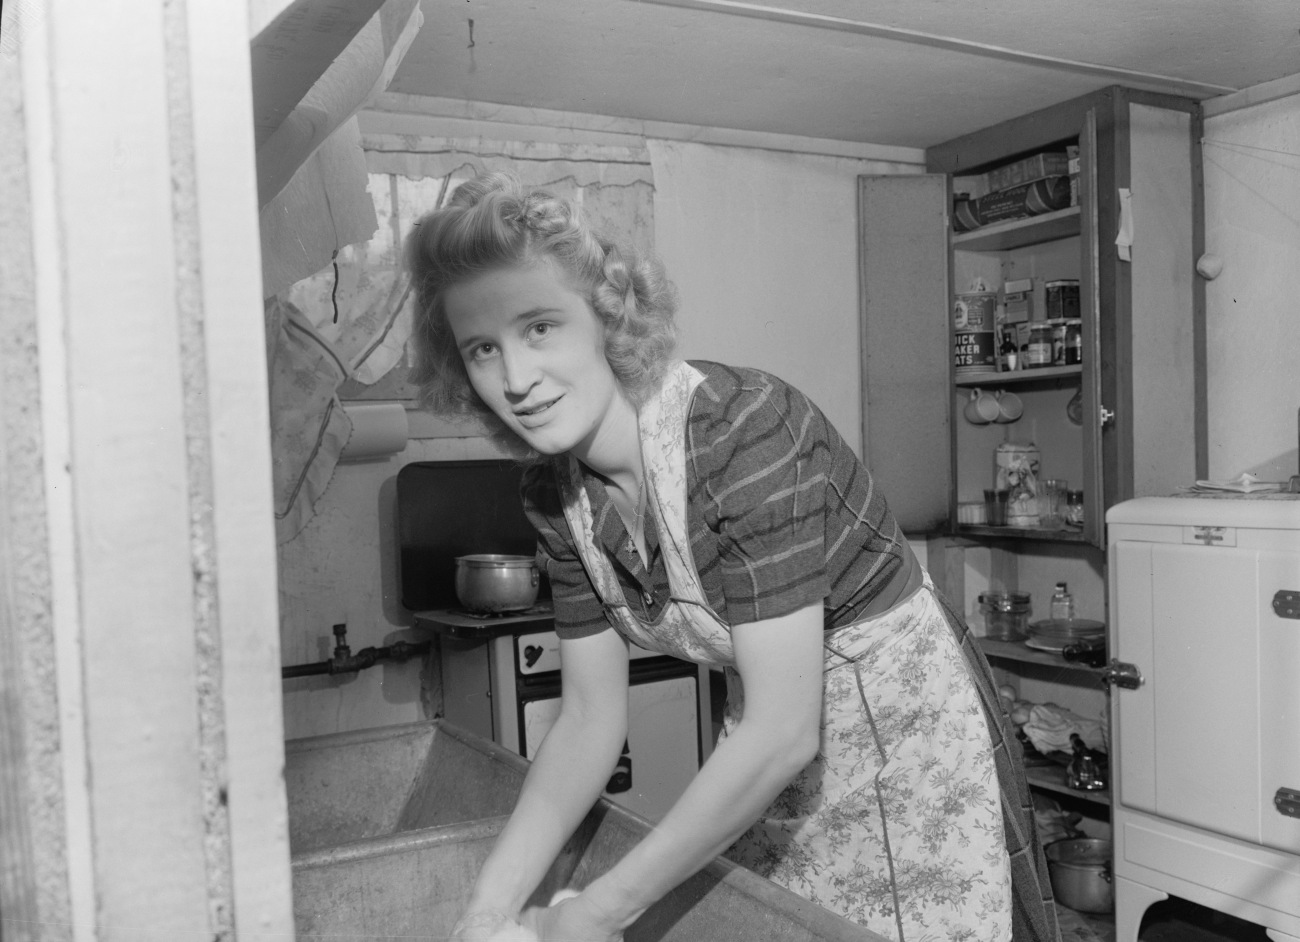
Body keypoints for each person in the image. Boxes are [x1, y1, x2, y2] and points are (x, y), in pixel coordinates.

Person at [406, 170, 1061, 942]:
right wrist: (485, 915)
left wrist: (596, 913)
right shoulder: (555, 496)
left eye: (540, 327)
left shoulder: (741, 431)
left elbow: (786, 731)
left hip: (905, 738)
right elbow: (586, 716)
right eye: (483, 348)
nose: (515, 378)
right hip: (767, 742)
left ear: (605, 315)